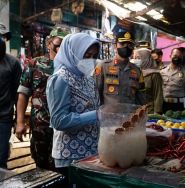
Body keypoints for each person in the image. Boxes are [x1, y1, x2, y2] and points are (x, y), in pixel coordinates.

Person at [46, 33, 100, 175]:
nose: (91, 60)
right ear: (73, 52)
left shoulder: (87, 77)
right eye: (87, 55)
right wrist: (96, 115)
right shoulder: (60, 79)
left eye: (94, 56)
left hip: (91, 153)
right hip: (70, 155)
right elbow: (58, 120)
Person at [15, 28, 68, 171]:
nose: (61, 46)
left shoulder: (70, 67)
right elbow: (23, 94)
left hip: (64, 126)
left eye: (65, 43)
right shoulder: (34, 64)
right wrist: (19, 122)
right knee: (41, 165)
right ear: (49, 43)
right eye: (59, 42)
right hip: (41, 125)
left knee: (62, 166)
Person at [95, 31, 145, 105]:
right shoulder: (102, 66)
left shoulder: (137, 71)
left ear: (133, 48)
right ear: (115, 46)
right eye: (122, 44)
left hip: (129, 115)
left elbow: (141, 97)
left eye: (129, 45)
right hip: (108, 115)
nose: (126, 47)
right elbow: (96, 93)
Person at [0, 37, 22, 169]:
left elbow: (18, 93)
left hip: (3, 118)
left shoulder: (12, 63)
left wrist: (18, 120)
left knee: (0, 159)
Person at [160, 48, 185, 112]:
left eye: (179, 57)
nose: (177, 58)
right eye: (175, 56)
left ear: (182, 58)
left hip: (179, 105)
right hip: (165, 104)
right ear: (170, 56)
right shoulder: (162, 71)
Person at [133, 48, 163, 114]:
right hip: (135, 112)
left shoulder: (155, 75)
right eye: (134, 57)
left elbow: (158, 95)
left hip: (149, 112)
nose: (135, 60)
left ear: (146, 58)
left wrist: (157, 113)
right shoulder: (135, 73)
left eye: (138, 58)